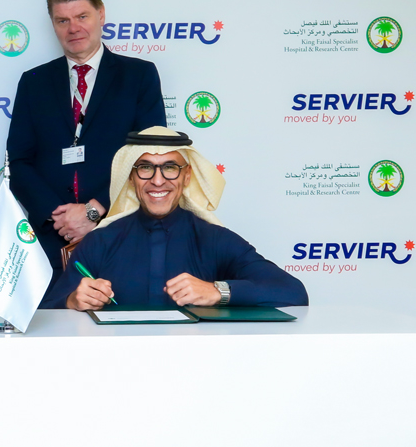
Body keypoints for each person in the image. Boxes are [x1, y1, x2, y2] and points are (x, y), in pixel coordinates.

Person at [6, 0, 166, 285]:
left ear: (101, 14)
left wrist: (93, 211)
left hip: (123, 232)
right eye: (62, 20)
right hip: (51, 242)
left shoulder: (139, 76)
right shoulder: (33, 82)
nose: (73, 28)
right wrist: (62, 218)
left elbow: (150, 156)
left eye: (82, 16)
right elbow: (19, 162)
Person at [43, 127, 309, 310]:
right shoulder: (100, 241)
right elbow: (49, 310)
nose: (158, 181)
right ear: (132, 178)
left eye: (170, 168)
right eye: (145, 168)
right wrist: (72, 301)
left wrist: (217, 291)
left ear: (187, 176)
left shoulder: (215, 239)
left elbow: (293, 292)